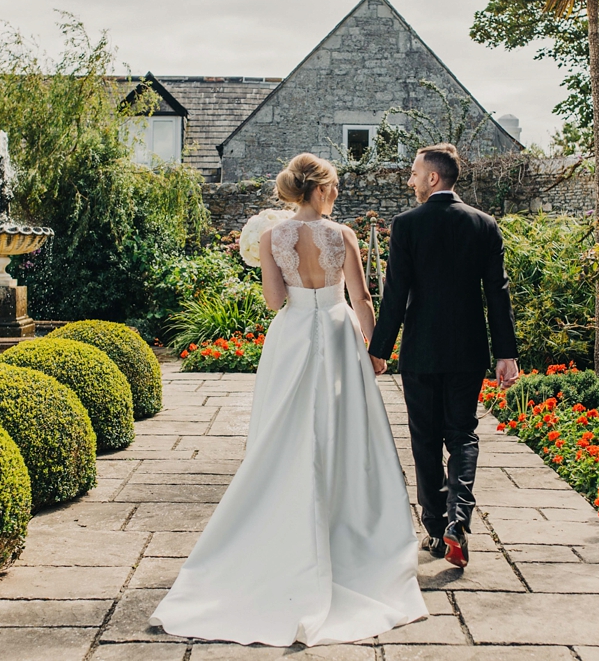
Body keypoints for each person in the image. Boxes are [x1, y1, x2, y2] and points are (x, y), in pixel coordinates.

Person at [150, 153, 427, 646]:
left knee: (288, 427)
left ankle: (284, 514)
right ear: (319, 190)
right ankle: (351, 525)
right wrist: (376, 351)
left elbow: (274, 302)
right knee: (344, 427)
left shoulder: (270, 238)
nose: (338, 193)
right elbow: (362, 299)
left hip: (294, 334)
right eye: (334, 186)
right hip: (340, 334)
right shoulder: (344, 236)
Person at [369, 143, 521, 569]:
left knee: (425, 441)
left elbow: (395, 296)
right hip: (469, 350)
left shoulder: (406, 224)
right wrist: (505, 353)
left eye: (415, 173)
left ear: (433, 178)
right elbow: (498, 294)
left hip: (421, 351)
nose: (411, 180)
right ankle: (459, 521)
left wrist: (378, 351)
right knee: (463, 435)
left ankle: (436, 532)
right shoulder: (484, 224)